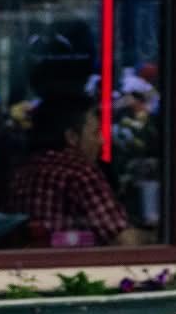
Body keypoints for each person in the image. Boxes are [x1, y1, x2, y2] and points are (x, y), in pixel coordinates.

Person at [7, 96, 135, 247]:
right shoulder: (80, 173)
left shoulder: (23, 169)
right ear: (72, 137)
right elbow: (123, 241)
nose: (102, 141)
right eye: (95, 133)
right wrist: (156, 238)